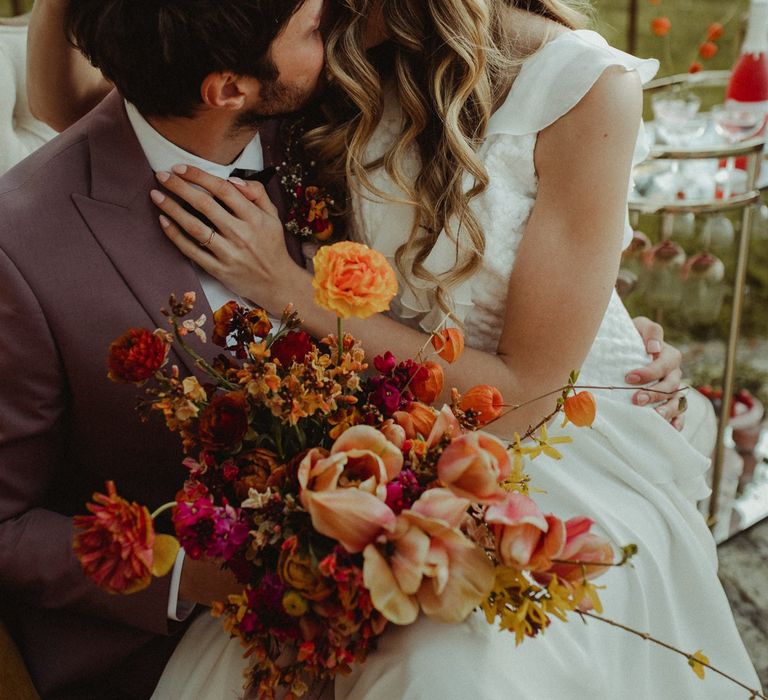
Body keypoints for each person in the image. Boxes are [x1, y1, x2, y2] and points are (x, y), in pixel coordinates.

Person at [19, 2, 736, 700]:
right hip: (385, 438)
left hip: (530, 437)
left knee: (465, 666)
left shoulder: (577, 86)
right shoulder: (323, 56)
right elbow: (97, 98)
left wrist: (286, 288)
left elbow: (528, 379)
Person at [0, 1, 324, 697]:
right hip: (168, 643)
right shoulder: (17, 248)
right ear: (229, 89)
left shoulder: (341, 136)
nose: (338, 34)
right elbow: (6, 525)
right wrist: (190, 574)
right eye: (316, 30)